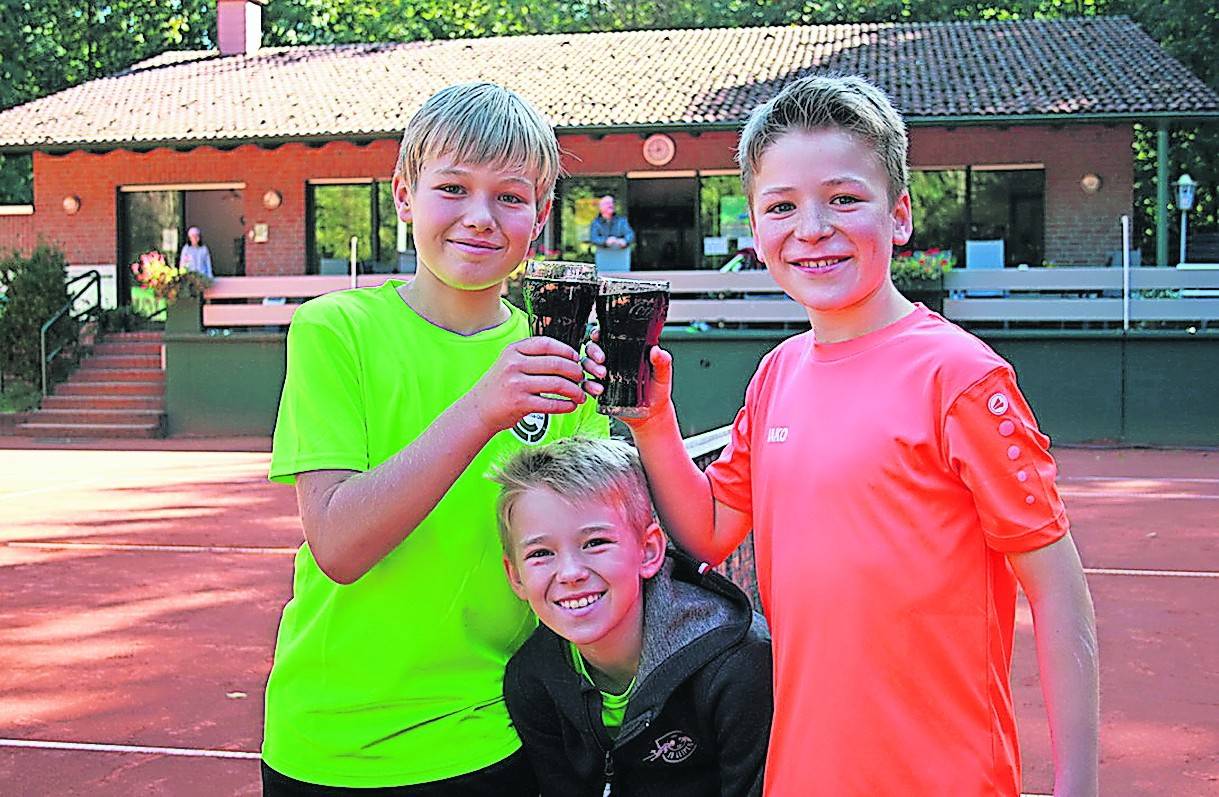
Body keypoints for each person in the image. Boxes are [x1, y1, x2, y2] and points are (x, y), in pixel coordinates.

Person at [585, 75, 1099, 796]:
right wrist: (652, 420)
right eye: (781, 206)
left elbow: (1056, 593)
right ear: (757, 229)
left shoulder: (959, 375)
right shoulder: (776, 375)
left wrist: (1077, 785)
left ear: (898, 217)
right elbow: (707, 532)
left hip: (942, 776)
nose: (812, 227)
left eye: (844, 199)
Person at [262, 82, 608, 794]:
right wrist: (483, 405)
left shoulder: (557, 362)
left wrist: (636, 413)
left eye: (510, 197)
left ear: (538, 217)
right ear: (402, 196)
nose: (479, 218)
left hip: (496, 736)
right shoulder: (336, 331)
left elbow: (597, 563)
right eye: (452, 188)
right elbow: (338, 544)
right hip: (334, 743)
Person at [494, 437, 772, 796]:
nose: (570, 573)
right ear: (515, 575)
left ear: (648, 550)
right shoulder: (532, 680)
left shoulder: (737, 668)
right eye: (541, 553)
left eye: (595, 543)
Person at [589, 194, 635, 272]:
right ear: (601, 207)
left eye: (612, 203)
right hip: (603, 262)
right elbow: (594, 238)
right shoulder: (596, 223)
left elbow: (630, 235)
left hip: (621, 262)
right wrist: (606, 241)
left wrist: (624, 241)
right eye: (607, 203)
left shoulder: (622, 221)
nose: (611, 205)